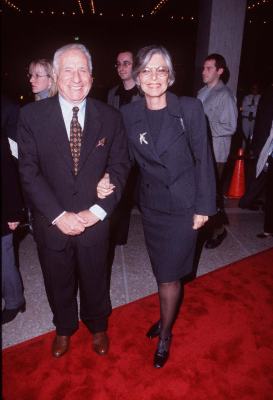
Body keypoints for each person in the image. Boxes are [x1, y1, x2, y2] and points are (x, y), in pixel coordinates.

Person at [97, 45, 216, 368]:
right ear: (137, 76)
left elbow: (203, 158)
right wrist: (108, 177)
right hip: (152, 207)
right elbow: (125, 159)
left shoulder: (189, 109)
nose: (153, 77)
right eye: (146, 70)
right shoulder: (129, 114)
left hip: (183, 204)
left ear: (170, 76)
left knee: (168, 277)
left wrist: (203, 207)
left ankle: (165, 333)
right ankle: (166, 317)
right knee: (162, 271)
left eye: (160, 70)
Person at [18, 43, 130, 358]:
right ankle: (64, 328)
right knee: (57, 278)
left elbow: (121, 165)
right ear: (56, 75)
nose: (76, 77)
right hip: (51, 220)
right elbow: (28, 172)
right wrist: (58, 215)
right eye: (68, 69)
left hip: (95, 219)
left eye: (83, 70)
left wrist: (97, 211)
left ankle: (98, 326)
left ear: (92, 77)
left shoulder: (110, 117)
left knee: (96, 275)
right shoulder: (31, 116)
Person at [197, 53, 238, 249]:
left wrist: (203, 129)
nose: (203, 72)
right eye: (203, 68)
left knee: (211, 195)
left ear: (219, 71)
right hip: (200, 151)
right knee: (204, 193)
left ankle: (219, 230)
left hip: (216, 154)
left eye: (208, 68)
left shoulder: (225, 95)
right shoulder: (201, 92)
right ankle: (206, 227)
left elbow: (230, 126)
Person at [106, 51, 141, 269]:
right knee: (119, 193)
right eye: (118, 64)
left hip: (139, 151)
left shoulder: (144, 92)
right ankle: (119, 235)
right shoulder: (113, 93)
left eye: (126, 63)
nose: (121, 67)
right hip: (117, 151)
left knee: (138, 194)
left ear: (135, 66)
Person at [1, 98, 25, 324]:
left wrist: (14, 212)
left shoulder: (7, 109)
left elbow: (9, 168)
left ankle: (14, 301)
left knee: (4, 258)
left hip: (4, 204)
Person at [241, 83, 261, 148]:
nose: (254, 90)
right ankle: (242, 151)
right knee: (244, 136)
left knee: (252, 137)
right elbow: (243, 107)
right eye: (253, 88)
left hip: (254, 120)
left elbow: (259, 109)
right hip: (246, 119)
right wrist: (255, 106)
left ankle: (251, 151)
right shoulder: (247, 97)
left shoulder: (260, 97)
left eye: (256, 88)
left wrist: (250, 106)